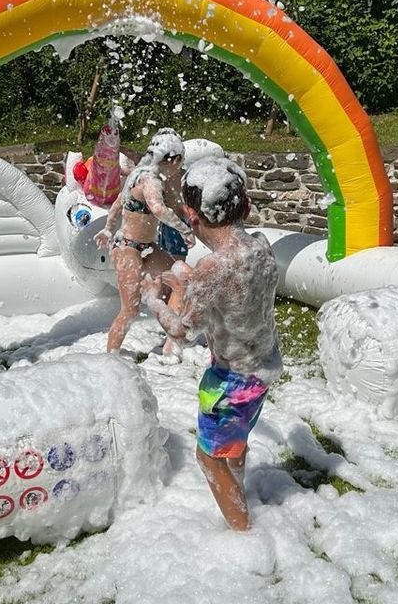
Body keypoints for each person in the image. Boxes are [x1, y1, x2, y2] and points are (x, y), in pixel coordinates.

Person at [141, 156, 282, 531]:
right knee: (234, 443)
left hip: (230, 382)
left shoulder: (213, 269)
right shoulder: (261, 247)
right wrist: (187, 279)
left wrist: (153, 299)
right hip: (262, 369)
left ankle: (244, 534)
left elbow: (183, 333)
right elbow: (234, 297)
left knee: (209, 458)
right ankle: (240, 495)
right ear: (246, 207)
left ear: (191, 214)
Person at [94, 128, 194, 354]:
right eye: (180, 162)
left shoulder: (137, 174)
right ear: (174, 159)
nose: (179, 168)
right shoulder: (151, 180)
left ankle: (171, 342)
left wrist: (108, 229)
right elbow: (158, 209)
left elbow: (119, 204)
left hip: (147, 248)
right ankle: (110, 358)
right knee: (130, 310)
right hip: (128, 248)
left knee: (178, 280)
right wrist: (185, 231)